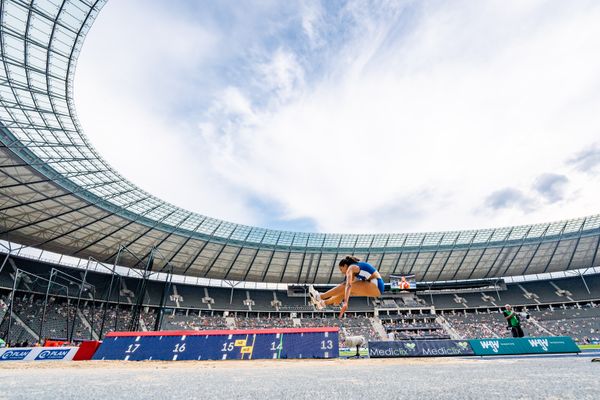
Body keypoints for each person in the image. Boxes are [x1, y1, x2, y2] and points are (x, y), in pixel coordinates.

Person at [309, 256, 385, 318]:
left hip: (376, 284)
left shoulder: (351, 268)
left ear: (345, 265)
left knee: (345, 286)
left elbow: (348, 285)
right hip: (375, 286)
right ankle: (322, 304)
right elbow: (346, 287)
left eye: (341, 269)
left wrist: (345, 302)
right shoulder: (355, 268)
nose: (342, 272)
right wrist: (337, 298)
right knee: (344, 292)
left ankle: (319, 297)